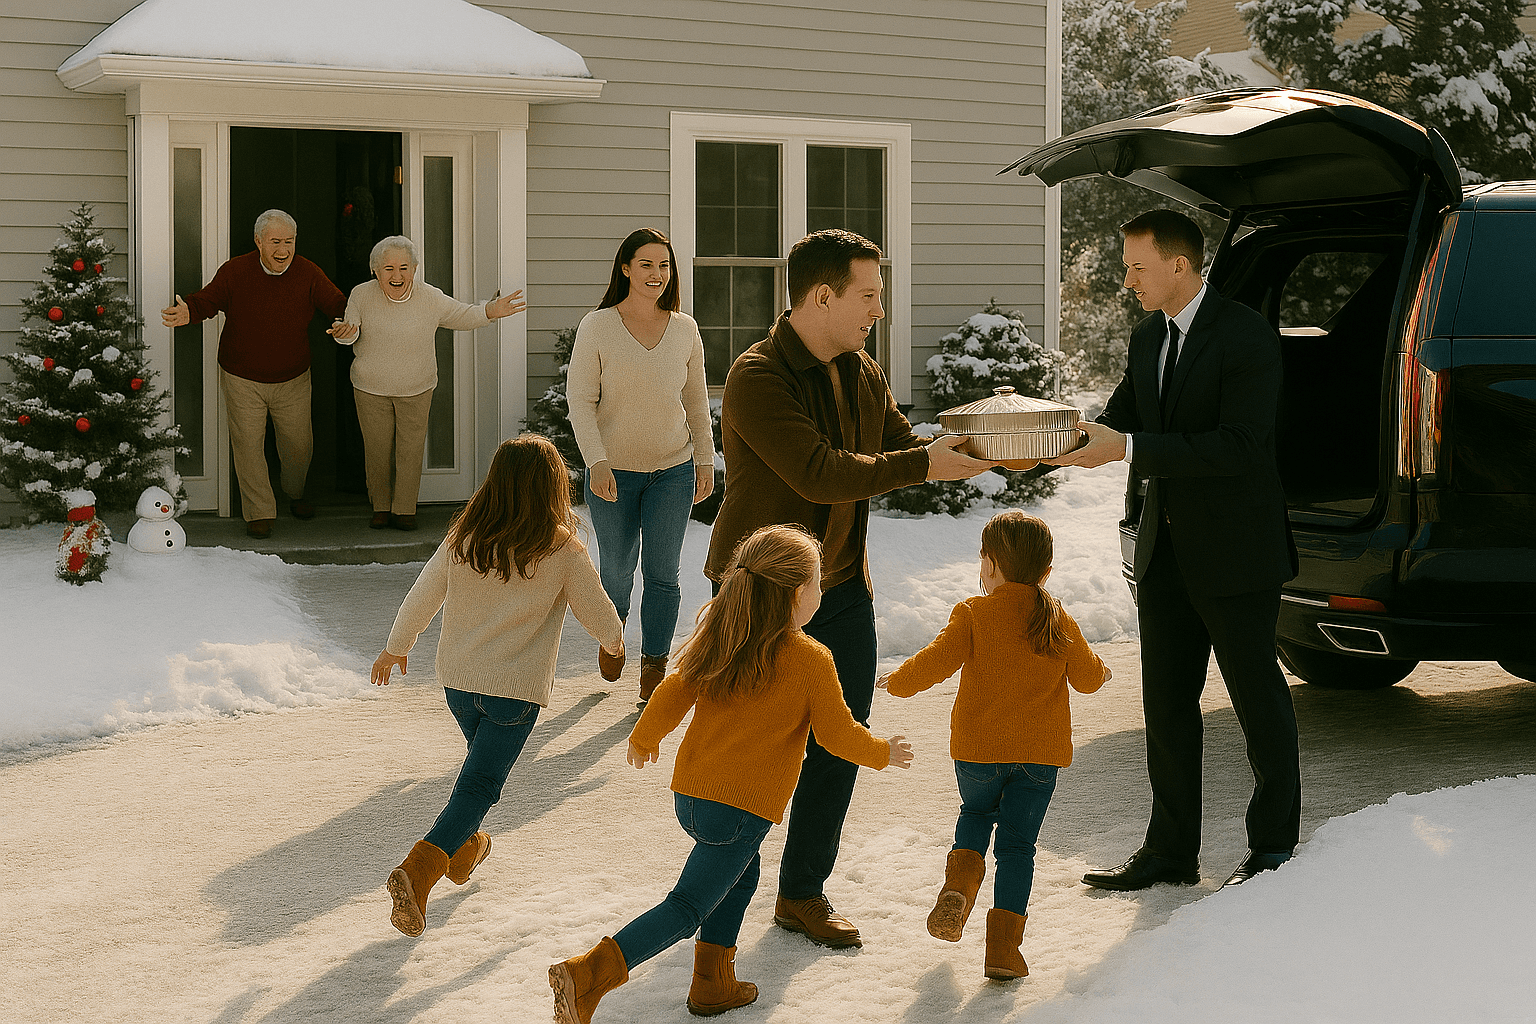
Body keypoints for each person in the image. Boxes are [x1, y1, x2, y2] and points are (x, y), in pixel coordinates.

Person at [705, 227, 995, 949]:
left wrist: (985, 443)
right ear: (823, 295)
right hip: (762, 596)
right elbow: (821, 471)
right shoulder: (758, 375)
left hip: (839, 589)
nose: (878, 310)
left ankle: (801, 892)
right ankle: (718, 917)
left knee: (840, 740)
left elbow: (896, 443)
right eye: (868, 296)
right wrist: (923, 465)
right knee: (753, 754)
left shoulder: (860, 366)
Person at [549, 525, 913, 1024]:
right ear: (793, 595)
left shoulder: (722, 634)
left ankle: (713, 982)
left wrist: (646, 735)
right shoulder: (810, 658)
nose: (822, 592)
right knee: (686, 906)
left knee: (743, 873)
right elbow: (837, 736)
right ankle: (590, 973)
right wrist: (881, 752)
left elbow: (675, 687)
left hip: (693, 798)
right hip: (740, 809)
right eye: (818, 583)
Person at [1043, 209, 1300, 890]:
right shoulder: (1145, 337)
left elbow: (1241, 446)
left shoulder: (1246, 336)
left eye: (1137, 267)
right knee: (1165, 706)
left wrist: (1129, 448)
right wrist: (1033, 446)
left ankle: (1274, 850)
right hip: (1165, 554)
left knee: (1257, 701)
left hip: (1238, 552)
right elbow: (1122, 417)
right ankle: (1169, 852)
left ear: (1179, 266)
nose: (1126, 279)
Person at [370, 434, 624, 937]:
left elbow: (424, 593)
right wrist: (614, 644)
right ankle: (419, 871)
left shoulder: (466, 536)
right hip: (515, 690)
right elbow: (595, 607)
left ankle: (466, 850)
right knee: (481, 784)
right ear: (552, 487)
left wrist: (396, 646)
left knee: (476, 775)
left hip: (459, 684)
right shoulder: (561, 546)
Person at [877, 511, 1109, 978]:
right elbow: (1087, 679)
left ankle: (961, 882)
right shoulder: (1056, 617)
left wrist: (897, 682)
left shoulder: (973, 613)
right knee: (1018, 849)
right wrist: (1102, 670)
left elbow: (935, 660)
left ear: (990, 565)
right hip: (1039, 758)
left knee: (977, 814)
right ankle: (1003, 950)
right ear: (1045, 573)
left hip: (977, 752)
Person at [566, 228, 714, 702]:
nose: (656, 274)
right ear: (626, 269)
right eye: (646, 264)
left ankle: (654, 663)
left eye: (664, 265)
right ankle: (613, 636)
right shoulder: (598, 326)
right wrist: (597, 462)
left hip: (673, 469)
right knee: (615, 569)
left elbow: (696, 401)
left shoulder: (685, 329)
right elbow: (580, 400)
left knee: (662, 571)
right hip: (613, 473)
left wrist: (706, 461)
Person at [161, 209, 346, 539]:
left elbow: (338, 303)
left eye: (289, 242)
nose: (283, 250)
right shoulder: (235, 271)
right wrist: (188, 310)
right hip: (241, 376)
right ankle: (259, 512)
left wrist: (351, 319)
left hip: (292, 377)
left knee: (299, 446)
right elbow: (209, 299)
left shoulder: (308, 272)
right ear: (258, 242)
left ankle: (296, 492)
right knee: (248, 445)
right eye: (275, 242)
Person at [331, 235, 526, 531]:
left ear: (415, 268)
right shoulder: (361, 294)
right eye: (388, 269)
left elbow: (461, 314)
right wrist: (344, 334)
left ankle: (404, 510)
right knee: (377, 450)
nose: (397, 276)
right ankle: (381, 507)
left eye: (404, 268)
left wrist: (490, 311)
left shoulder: (429, 297)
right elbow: (352, 330)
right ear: (375, 270)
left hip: (417, 387)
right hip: (371, 388)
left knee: (410, 450)